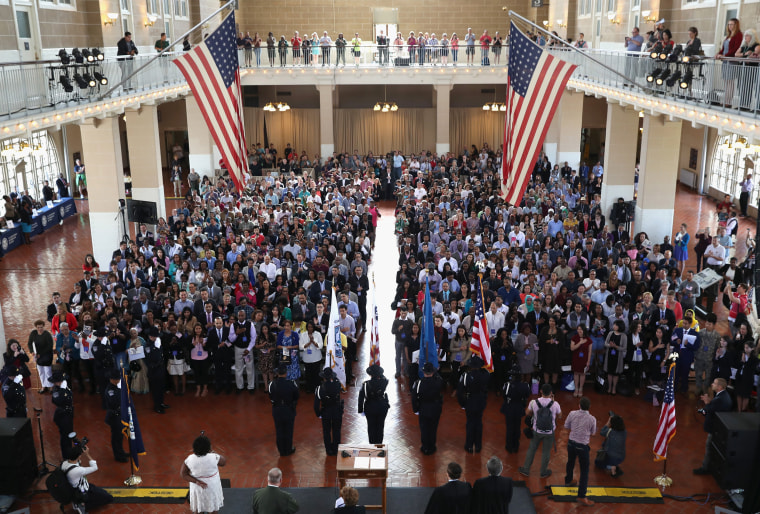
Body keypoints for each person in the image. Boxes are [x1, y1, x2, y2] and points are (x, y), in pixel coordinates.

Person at [519, 383, 562, 478]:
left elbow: (527, 413)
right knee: (546, 452)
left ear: (541, 391)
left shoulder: (533, 402)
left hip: (536, 430)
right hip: (549, 432)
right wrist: (553, 401)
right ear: (551, 393)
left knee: (532, 449)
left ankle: (526, 469)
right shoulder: (555, 404)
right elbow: (560, 416)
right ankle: (543, 472)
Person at [694, 378, 733, 474]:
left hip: (715, 428)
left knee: (709, 448)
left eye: (714, 383)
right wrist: (710, 402)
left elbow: (708, 411)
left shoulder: (720, 399)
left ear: (719, 387)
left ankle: (705, 468)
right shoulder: (723, 395)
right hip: (719, 427)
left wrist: (707, 403)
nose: (712, 384)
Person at [563, 396, 597, 506]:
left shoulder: (572, 413)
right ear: (589, 407)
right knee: (584, 471)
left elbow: (566, 425)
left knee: (570, 461)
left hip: (571, 443)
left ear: (579, 405)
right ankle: (582, 496)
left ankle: (568, 480)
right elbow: (593, 433)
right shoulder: (592, 419)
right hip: (583, 446)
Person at [181, 434, 226, 514]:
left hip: (197, 488)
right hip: (212, 488)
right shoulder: (213, 457)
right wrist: (212, 451)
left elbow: (183, 474)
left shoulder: (190, 459)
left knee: (198, 509)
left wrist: (196, 481)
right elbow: (223, 462)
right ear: (208, 448)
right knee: (213, 510)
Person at [62, 445, 114, 513]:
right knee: (109, 498)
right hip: (83, 490)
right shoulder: (78, 470)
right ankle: (81, 504)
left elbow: (77, 463)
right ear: (78, 456)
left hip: (76, 487)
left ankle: (79, 501)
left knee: (104, 493)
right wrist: (87, 454)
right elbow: (95, 467)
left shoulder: (64, 463)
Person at [457, 355, 489, 453]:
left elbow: (460, 392)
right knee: (479, 423)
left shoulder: (465, 376)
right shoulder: (486, 374)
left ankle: (469, 446)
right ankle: (478, 446)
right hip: (480, 401)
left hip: (470, 401)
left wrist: (462, 404)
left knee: (470, 423)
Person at [412, 362, 444, 455]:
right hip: (435, 408)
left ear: (424, 372)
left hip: (423, 408)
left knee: (424, 428)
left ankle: (425, 447)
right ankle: (432, 446)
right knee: (433, 428)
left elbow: (414, 398)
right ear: (433, 372)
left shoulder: (418, 383)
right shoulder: (438, 381)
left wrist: (415, 410)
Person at [268, 364, 299, 456]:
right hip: (289, 409)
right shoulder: (291, 383)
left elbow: (271, 396)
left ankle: (281, 450)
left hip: (277, 409)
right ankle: (288, 449)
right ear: (286, 373)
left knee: (279, 430)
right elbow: (296, 396)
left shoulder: (272, 384)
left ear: (277, 373)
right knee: (289, 430)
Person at [501, 366, 530, 454]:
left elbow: (504, 396)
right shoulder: (525, 386)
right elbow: (526, 395)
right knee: (517, 427)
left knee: (509, 427)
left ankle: (509, 446)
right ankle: (516, 446)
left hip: (509, 408)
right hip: (519, 408)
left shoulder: (507, 385)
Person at [314, 367, 343, 456]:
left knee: (326, 431)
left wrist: (319, 414)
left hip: (326, 411)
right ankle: (336, 448)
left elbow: (316, 405)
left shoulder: (319, 388)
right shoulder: (338, 385)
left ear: (323, 377)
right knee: (336, 430)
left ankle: (328, 450)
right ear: (332, 377)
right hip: (337, 411)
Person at [358, 364, 389, 444]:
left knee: (371, 427)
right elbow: (384, 378)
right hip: (382, 407)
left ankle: (372, 446)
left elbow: (361, 397)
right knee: (380, 427)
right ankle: (379, 446)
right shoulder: (384, 382)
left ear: (370, 374)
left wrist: (360, 410)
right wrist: (379, 373)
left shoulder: (365, 384)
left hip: (370, 407)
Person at [103, 369, 129, 462]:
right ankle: (118, 455)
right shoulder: (111, 390)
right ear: (112, 379)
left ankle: (121, 451)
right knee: (116, 436)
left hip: (119, 414)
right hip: (114, 415)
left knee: (120, 436)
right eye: (117, 379)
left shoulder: (117, 387)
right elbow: (115, 402)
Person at [51, 370, 74, 459]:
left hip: (68, 413)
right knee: (65, 437)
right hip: (62, 415)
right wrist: (63, 390)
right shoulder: (57, 390)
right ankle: (66, 456)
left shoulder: (63, 387)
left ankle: (69, 453)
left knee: (69, 435)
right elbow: (58, 401)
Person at [596, 412, 626, 477]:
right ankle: (614, 466)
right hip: (621, 456)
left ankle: (612, 468)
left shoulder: (610, 432)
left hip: (611, 457)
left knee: (598, 463)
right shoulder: (624, 432)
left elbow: (602, 432)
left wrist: (609, 421)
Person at [603, 320, 628, 395]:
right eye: (614, 325)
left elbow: (624, 348)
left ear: (619, 326)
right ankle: (609, 387)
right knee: (609, 372)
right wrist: (610, 345)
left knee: (616, 373)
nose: (614, 326)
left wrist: (616, 346)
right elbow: (605, 343)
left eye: (615, 325)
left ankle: (614, 388)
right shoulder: (610, 333)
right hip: (609, 355)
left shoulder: (624, 336)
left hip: (618, 357)